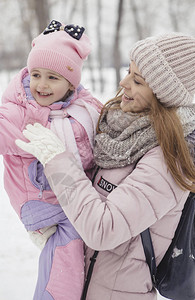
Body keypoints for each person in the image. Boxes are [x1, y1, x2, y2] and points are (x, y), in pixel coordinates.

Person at [16, 32, 195, 300]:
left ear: (163, 95)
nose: (123, 82)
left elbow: (103, 229)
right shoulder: (120, 132)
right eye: (128, 71)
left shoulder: (169, 160)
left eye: (137, 80)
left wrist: (58, 160)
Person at [1, 20, 102, 300]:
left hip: (70, 195)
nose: (41, 85)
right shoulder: (22, 111)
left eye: (52, 78)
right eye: (35, 75)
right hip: (42, 201)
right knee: (67, 255)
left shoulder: (84, 107)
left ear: (71, 83)